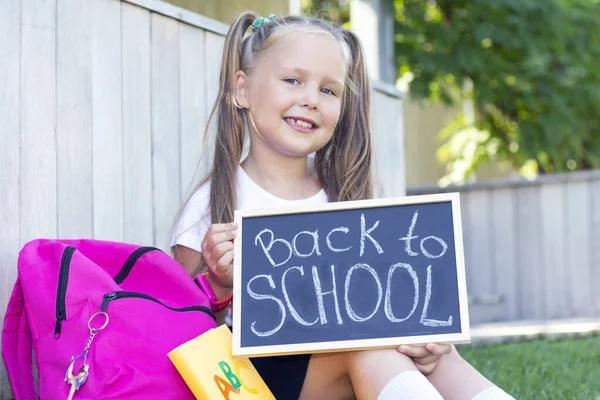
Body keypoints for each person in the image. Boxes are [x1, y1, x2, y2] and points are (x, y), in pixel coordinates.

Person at [172, 11, 514, 400]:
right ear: (243, 90)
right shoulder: (212, 203)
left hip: (336, 367)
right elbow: (178, 334)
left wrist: (422, 335)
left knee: (434, 353)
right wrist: (217, 284)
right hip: (252, 382)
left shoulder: (348, 200)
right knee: (365, 344)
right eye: (292, 80)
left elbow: (383, 305)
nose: (310, 100)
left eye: (329, 90)